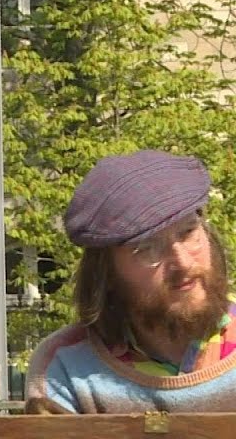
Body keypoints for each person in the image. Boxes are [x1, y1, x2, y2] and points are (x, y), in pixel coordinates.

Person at [25, 149, 236, 415]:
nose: (183, 263)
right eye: (148, 249)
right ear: (107, 273)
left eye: (188, 232)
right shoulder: (66, 366)